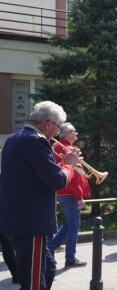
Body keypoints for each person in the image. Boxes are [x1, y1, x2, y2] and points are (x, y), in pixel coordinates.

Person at [0, 101, 79, 290]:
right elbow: (57, 181)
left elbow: (39, 176)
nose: (57, 133)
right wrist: (70, 165)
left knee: (49, 270)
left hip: (18, 219)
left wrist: (60, 165)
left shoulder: (14, 138)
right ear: (48, 123)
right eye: (58, 127)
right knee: (34, 283)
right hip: (31, 223)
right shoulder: (37, 141)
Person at [47, 122, 90, 267]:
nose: (76, 133)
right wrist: (79, 197)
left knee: (69, 223)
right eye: (74, 130)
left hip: (62, 192)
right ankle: (69, 257)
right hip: (71, 194)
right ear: (66, 134)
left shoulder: (56, 148)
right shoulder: (70, 150)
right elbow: (75, 177)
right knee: (74, 226)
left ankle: (51, 248)